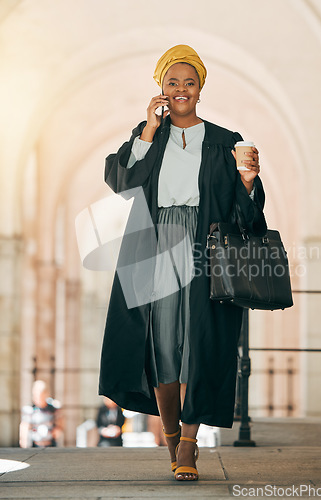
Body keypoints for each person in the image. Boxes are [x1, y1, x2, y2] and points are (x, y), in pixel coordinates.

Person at [99, 45, 267, 481]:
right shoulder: (147, 135)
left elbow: (244, 211)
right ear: (160, 88)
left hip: (205, 244)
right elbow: (122, 182)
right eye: (172, 82)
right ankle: (171, 436)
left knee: (201, 341)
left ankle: (189, 443)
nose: (180, 89)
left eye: (188, 82)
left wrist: (248, 181)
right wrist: (149, 130)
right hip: (156, 243)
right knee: (161, 344)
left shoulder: (225, 141)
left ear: (200, 89)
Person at [19, 380, 63, 448]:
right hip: (34, 445)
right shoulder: (30, 410)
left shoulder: (53, 409)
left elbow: (59, 424)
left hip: (50, 444)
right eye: (35, 394)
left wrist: (57, 432)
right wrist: (24, 441)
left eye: (40, 395)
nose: (37, 398)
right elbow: (24, 427)